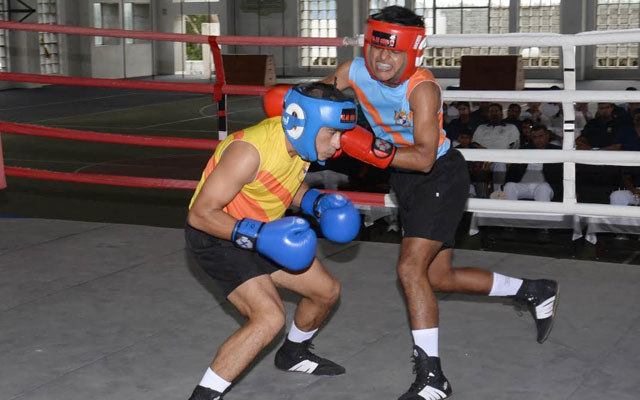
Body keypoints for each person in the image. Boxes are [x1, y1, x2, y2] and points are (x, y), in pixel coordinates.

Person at [321, 6, 559, 400]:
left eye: (393, 51)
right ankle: (533, 289)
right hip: (404, 179)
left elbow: (423, 158)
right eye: (376, 48)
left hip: (439, 177)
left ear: (412, 51)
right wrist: (290, 107)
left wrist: (363, 146)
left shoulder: (422, 88)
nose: (381, 58)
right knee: (438, 278)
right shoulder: (352, 71)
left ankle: (433, 378)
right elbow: (313, 97)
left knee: (409, 268)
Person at [184, 82, 361, 400]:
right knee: (268, 318)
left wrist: (316, 203)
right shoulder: (248, 152)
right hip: (217, 236)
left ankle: (293, 354)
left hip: (263, 233)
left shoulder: (299, 144)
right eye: (332, 133)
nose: (338, 144)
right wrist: (260, 235)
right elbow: (200, 214)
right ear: (304, 124)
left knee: (325, 291)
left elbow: (281, 184)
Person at [504, 126, 563, 202]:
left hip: (544, 185)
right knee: (509, 186)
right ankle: (510, 210)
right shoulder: (524, 149)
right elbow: (513, 170)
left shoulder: (556, 150)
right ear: (531, 138)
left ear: (547, 136)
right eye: (535, 137)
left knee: (543, 188)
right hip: (523, 185)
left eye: (541, 136)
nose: (538, 140)